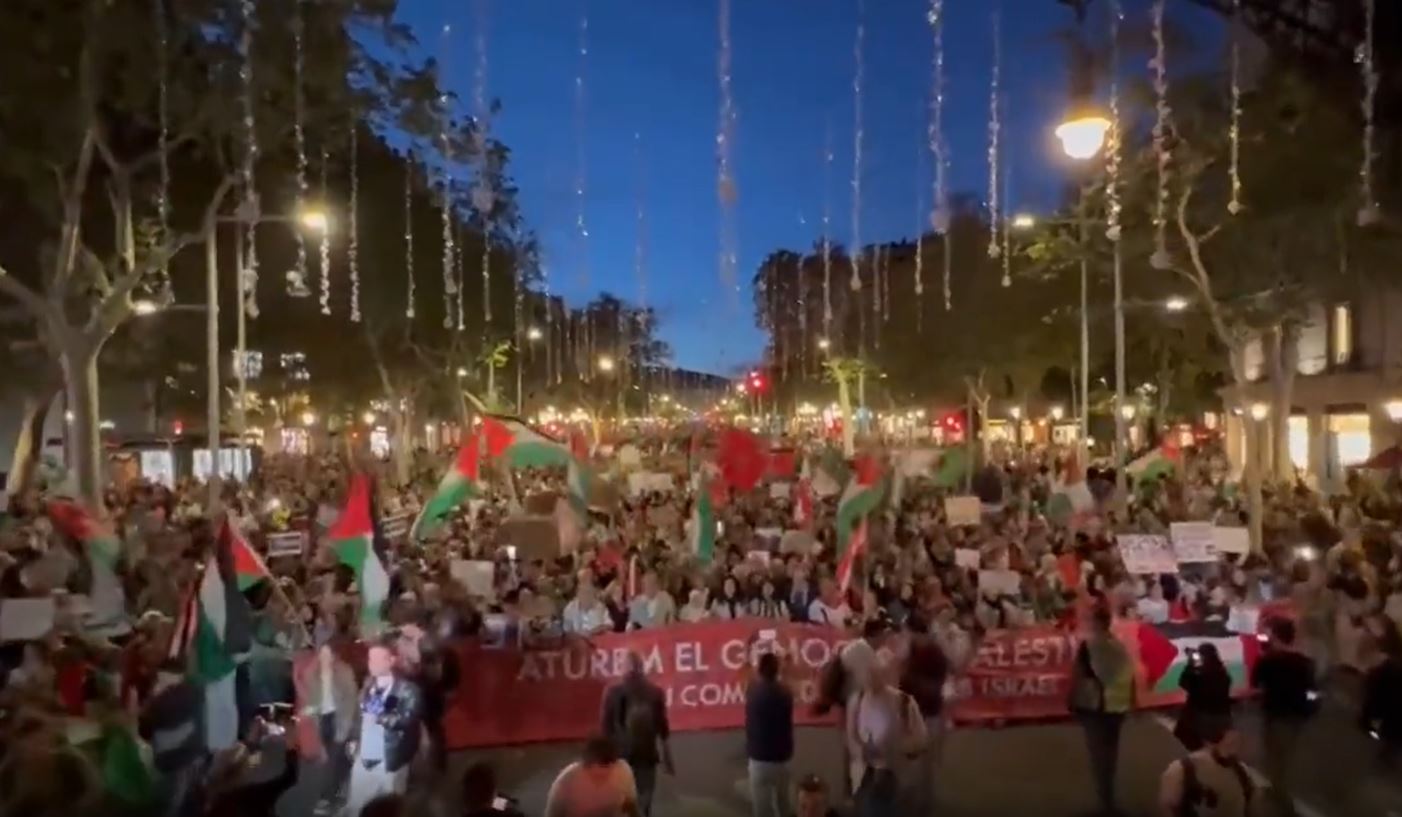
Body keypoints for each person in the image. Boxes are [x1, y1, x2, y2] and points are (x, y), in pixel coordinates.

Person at [1068, 603, 1135, 817]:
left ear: (1096, 622)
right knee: (1111, 755)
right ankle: (1109, 799)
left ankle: (1105, 802)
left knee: (1099, 757)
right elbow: (1128, 676)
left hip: (1094, 706)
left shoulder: (1088, 647)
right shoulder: (1118, 646)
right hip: (1117, 708)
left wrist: (1071, 700)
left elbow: (1079, 676)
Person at [345, 637, 423, 817]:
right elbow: (358, 715)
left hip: (391, 760)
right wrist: (354, 738)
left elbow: (407, 719)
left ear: (391, 661)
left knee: (390, 809)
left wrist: (378, 716)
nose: (371, 664)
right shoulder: (368, 685)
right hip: (364, 758)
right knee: (356, 806)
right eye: (370, 659)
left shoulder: (407, 690)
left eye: (377, 659)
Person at [1250, 617, 1317, 817]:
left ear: (1275, 636)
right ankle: (1278, 790)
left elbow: (1256, 684)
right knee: (1286, 752)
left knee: (1275, 756)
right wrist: (1309, 708)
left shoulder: (1268, 661)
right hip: (1297, 715)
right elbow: (1312, 690)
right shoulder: (1305, 663)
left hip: (1275, 714)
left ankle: (1280, 799)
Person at [845, 654, 926, 817]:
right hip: (865, 773)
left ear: (887, 675)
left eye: (876, 674)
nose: (871, 679)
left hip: (894, 775)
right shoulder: (857, 700)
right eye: (868, 674)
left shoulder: (904, 702)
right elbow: (850, 735)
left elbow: (920, 740)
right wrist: (862, 751)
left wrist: (895, 749)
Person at [600, 652, 673, 816]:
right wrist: (668, 757)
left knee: (624, 802)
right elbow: (662, 726)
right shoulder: (655, 692)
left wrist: (603, 760)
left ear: (623, 668)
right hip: (646, 755)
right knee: (644, 799)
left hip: (621, 756)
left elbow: (605, 728)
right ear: (642, 668)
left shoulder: (613, 692)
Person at [298, 640, 358, 816]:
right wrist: (309, 709)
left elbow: (350, 702)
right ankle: (327, 795)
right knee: (325, 757)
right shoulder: (312, 674)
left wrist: (344, 729)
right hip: (323, 719)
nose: (323, 658)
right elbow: (313, 700)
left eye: (326, 654)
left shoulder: (344, 672)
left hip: (339, 718)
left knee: (335, 757)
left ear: (333, 656)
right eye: (320, 654)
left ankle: (330, 797)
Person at [898, 612, 949, 814]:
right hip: (912, 711)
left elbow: (935, 686)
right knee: (910, 761)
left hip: (926, 712)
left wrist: (911, 681)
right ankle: (912, 801)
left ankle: (923, 805)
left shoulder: (934, 654)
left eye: (906, 632)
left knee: (923, 763)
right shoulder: (913, 650)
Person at [1157, 716, 1254, 817]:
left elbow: (1252, 809)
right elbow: (1167, 809)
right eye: (1228, 744)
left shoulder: (1241, 773)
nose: (1233, 751)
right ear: (1208, 741)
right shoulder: (1181, 771)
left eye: (1235, 743)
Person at [743, 646, 793, 817]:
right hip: (782, 758)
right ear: (776, 670)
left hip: (759, 759)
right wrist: (786, 668)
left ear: (759, 671)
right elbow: (787, 685)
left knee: (761, 809)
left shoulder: (752, 692)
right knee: (783, 803)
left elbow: (746, 679)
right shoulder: (785, 694)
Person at [544, 735, 641, 817]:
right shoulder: (567, 779)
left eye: (607, 765)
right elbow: (553, 813)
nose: (603, 772)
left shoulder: (622, 772)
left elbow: (631, 805)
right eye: (599, 764)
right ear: (586, 763)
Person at [1175, 643, 1233, 751]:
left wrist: (1190, 664)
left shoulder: (1201, 676)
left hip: (1203, 718)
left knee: (1200, 748)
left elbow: (1183, 683)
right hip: (1223, 717)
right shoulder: (1222, 673)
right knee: (1218, 748)